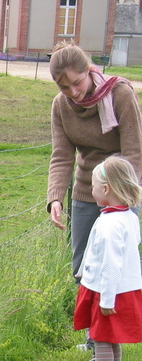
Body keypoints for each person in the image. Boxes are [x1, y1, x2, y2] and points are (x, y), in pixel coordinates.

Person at [47, 43, 142, 278]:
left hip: (123, 192)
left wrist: (121, 198)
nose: (73, 92)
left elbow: (134, 152)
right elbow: (61, 156)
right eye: (64, 87)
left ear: (89, 70)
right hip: (87, 191)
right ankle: (87, 315)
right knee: (83, 269)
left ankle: (121, 314)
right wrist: (55, 198)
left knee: (120, 268)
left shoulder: (120, 93)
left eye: (77, 82)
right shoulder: (60, 105)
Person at [73, 156, 142, 361]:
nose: (91, 191)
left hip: (108, 290)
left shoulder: (111, 224)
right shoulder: (127, 216)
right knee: (113, 337)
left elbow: (112, 262)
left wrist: (107, 300)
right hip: (122, 289)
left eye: (93, 186)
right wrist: (84, 269)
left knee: (101, 336)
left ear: (106, 188)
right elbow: (94, 248)